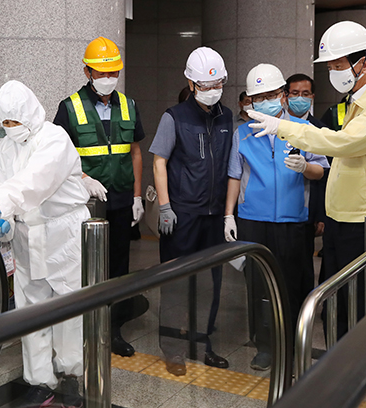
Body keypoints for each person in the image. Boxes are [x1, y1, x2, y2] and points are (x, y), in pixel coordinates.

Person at [248, 21, 366, 339]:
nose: (334, 72)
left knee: (358, 307)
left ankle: (353, 372)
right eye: (330, 66)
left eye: (338, 65)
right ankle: (339, 368)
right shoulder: (357, 99)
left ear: (363, 62)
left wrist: (286, 128)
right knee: (338, 302)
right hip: (344, 218)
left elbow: (345, 143)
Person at [0, 80, 90, 408]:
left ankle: (72, 375)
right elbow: (0, 184)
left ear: (30, 113)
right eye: (6, 123)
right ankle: (39, 381)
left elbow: (36, 181)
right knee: (30, 310)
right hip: (28, 235)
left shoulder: (54, 138)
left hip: (63, 234)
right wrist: (0, 218)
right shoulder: (7, 146)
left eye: (16, 122)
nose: (12, 128)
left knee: (68, 306)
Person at [225, 63, 328, 370]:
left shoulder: (302, 128)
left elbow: (321, 170)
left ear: (283, 96)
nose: (265, 101)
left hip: (293, 220)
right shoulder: (242, 134)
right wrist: (228, 216)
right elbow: (234, 176)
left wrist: (303, 167)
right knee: (257, 284)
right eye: (258, 97)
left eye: (271, 94)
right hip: (253, 220)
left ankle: (293, 340)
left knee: (292, 282)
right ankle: (264, 345)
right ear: (249, 101)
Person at [54, 36, 146, 357]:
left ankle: (112, 329)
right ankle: (80, 329)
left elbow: (135, 153)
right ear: (87, 71)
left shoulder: (128, 104)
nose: (108, 79)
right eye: (101, 73)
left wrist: (137, 196)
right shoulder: (69, 107)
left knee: (118, 268)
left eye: (113, 73)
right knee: (82, 268)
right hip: (83, 202)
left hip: (120, 200)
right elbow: (58, 155)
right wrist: (81, 177)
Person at [149, 46, 232, 376]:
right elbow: (159, 162)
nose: (212, 91)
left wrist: (229, 212)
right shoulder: (174, 116)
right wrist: (165, 207)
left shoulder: (227, 118)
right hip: (182, 216)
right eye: (205, 85)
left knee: (210, 283)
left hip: (213, 217)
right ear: (191, 82)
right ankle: (173, 348)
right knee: (175, 284)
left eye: (218, 85)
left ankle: (202, 343)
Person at [284, 73, 328, 289]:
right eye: (295, 93)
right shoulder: (277, 126)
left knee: (303, 267)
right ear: (285, 95)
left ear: (312, 96)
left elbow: (323, 177)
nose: (300, 98)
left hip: (307, 212)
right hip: (277, 211)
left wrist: (320, 216)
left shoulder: (318, 129)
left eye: (305, 94)